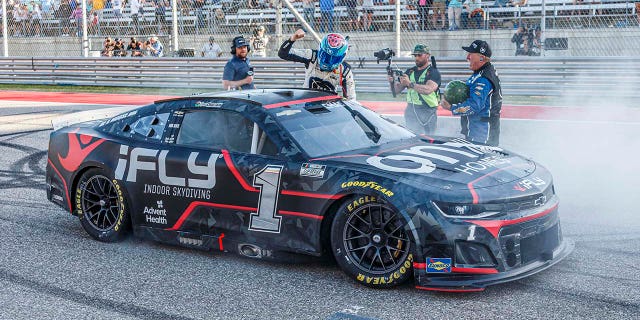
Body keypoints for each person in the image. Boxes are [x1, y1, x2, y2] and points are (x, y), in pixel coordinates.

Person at [440, 40, 502, 146]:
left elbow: (474, 106)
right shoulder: (482, 72)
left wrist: (451, 107)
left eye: (470, 54)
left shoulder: (483, 78)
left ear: (482, 58)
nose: (467, 57)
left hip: (482, 136)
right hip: (477, 131)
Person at [278, 29, 356, 100]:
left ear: (342, 58)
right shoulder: (312, 56)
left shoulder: (345, 71)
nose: (328, 61)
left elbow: (351, 100)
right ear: (320, 49)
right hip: (305, 103)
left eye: (334, 58)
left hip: (328, 108)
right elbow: (283, 53)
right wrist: (293, 38)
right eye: (325, 55)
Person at [387, 44, 441, 135]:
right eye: (415, 55)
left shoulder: (433, 72)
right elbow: (396, 91)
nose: (416, 58)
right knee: (412, 138)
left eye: (419, 55)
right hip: (411, 110)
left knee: (430, 138)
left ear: (427, 55)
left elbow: (428, 90)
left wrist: (409, 84)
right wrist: (392, 82)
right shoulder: (410, 71)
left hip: (428, 111)